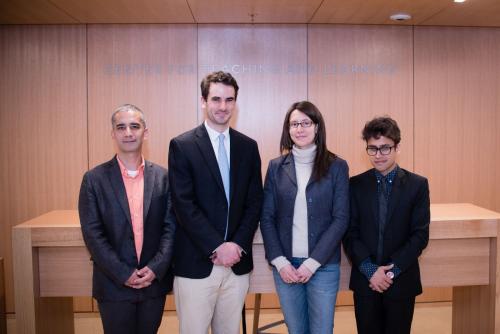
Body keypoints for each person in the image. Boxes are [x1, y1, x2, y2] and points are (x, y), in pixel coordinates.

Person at [168, 71, 263, 334]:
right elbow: (183, 205)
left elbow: (255, 202)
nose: (223, 106)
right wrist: (216, 246)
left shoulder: (248, 147)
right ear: (203, 101)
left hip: (237, 264)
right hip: (196, 264)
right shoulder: (182, 146)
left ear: (235, 102)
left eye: (229, 100)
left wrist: (236, 246)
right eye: (216, 99)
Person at [78, 104, 175, 334]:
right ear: (113, 134)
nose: (128, 133)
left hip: (153, 283)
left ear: (145, 132)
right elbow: (93, 234)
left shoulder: (164, 177)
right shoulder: (94, 179)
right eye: (121, 127)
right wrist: (124, 273)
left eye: (134, 126)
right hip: (113, 284)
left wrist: (156, 268)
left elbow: (171, 227)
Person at [260, 101, 349, 333]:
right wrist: (279, 262)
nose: (300, 129)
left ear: (317, 127)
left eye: (306, 123)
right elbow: (267, 217)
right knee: (296, 330)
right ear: (288, 130)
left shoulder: (337, 166)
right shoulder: (276, 167)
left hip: (323, 266)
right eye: (294, 124)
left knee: (321, 330)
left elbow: (340, 219)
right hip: (286, 267)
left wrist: (312, 263)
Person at [343, 116, 430, 334]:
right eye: (372, 149)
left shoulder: (417, 185)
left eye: (385, 148)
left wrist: (389, 274)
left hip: (401, 281)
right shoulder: (354, 185)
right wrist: (372, 271)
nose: (378, 155)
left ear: (397, 147)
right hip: (366, 280)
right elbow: (350, 233)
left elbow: (419, 236)